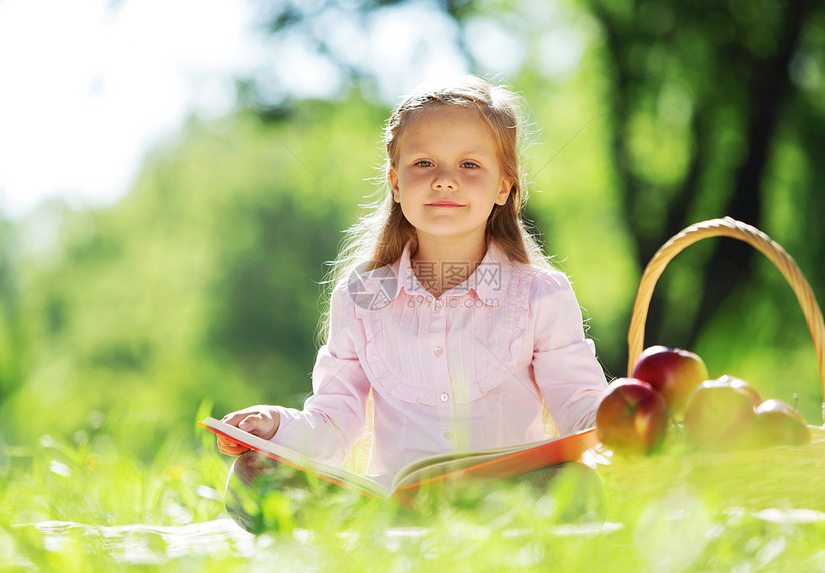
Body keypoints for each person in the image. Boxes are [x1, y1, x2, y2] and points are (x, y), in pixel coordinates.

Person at [217, 76, 610, 530]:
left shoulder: (540, 293)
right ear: (396, 182)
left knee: (575, 484)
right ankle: (391, 527)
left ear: (504, 187)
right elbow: (331, 420)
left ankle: (444, 529)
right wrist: (274, 427)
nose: (445, 181)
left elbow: (580, 405)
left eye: (469, 165)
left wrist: (620, 414)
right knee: (251, 476)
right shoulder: (363, 295)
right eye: (424, 163)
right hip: (389, 503)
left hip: (503, 499)